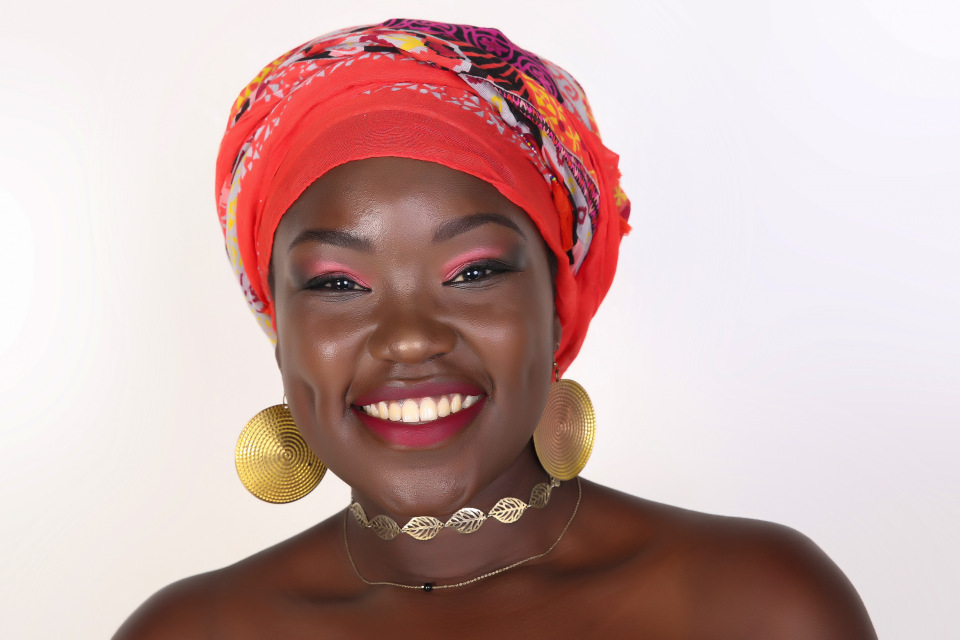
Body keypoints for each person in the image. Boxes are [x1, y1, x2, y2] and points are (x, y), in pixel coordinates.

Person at [114, 19, 877, 638]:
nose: (409, 339)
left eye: (474, 272)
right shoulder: (187, 631)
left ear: (558, 305)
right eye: (338, 284)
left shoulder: (756, 609)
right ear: (280, 330)